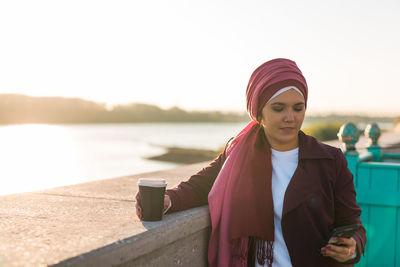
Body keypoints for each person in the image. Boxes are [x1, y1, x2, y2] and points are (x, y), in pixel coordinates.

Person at [136, 58, 366, 267]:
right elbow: (201, 185)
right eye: (278, 108)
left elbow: (352, 222)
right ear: (259, 112)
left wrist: (352, 247)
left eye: (298, 107)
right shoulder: (237, 152)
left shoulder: (330, 160)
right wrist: (168, 200)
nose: (290, 117)